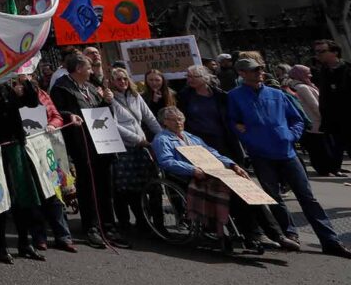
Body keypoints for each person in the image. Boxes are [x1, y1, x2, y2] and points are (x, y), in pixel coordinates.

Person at [227, 57, 351, 258]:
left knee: (307, 197)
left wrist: (290, 136)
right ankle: (290, 235)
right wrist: (247, 136)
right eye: (254, 70)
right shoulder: (234, 96)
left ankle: (330, 241)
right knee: (274, 197)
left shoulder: (276, 94)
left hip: (287, 152)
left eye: (260, 69)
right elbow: (233, 122)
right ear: (242, 73)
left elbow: (297, 119)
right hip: (261, 155)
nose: (259, 72)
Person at [150, 106, 288, 253]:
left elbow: (212, 153)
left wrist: (232, 164)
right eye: (173, 120)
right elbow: (166, 161)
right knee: (235, 195)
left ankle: (276, 235)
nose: (178, 122)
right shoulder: (162, 139)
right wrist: (192, 169)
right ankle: (254, 234)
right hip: (189, 177)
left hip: (212, 173)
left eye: (180, 119)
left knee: (250, 192)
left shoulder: (191, 137)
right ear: (164, 122)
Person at [51, 52, 129, 248]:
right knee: (88, 185)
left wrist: (107, 101)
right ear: (78, 69)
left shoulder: (91, 87)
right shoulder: (61, 88)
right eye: (88, 67)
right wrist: (69, 116)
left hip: (102, 142)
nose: (91, 70)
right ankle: (92, 226)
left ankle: (108, 225)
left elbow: (101, 113)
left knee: (105, 184)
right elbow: (55, 112)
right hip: (81, 142)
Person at [0, 77, 45, 263]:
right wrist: (13, 97)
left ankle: (24, 243)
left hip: (16, 147)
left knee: (23, 197)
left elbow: (33, 103)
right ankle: (2, 246)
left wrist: (26, 84)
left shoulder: (7, 88)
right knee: (1, 198)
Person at [108, 67, 161, 235]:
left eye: (124, 78)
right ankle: (131, 222)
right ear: (112, 82)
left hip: (142, 146)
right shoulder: (110, 100)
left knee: (148, 183)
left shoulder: (135, 96)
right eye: (118, 79)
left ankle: (150, 222)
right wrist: (138, 140)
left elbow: (149, 118)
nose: (122, 82)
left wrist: (162, 136)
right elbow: (113, 125)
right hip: (125, 147)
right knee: (128, 188)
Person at [28, 79, 76, 252]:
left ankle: (63, 236)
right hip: (28, 150)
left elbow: (57, 116)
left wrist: (51, 125)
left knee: (55, 192)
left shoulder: (42, 94)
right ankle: (39, 237)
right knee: (36, 194)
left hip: (48, 149)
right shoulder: (13, 97)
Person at [176, 65, 241, 164]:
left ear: (205, 78)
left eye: (194, 77)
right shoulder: (184, 97)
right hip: (199, 141)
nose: (189, 80)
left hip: (223, 140)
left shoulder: (220, 96)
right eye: (188, 76)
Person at [288, 64, 342, 176]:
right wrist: (325, 117)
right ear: (300, 74)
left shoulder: (303, 86)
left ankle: (331, 169)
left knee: (322, 147)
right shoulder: (303, 88)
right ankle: (326, 169)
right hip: (316, 122)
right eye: (307, 73)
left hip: (316, 122)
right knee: (321, 148)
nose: (310, 75)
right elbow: (314, 105)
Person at [312, 39, 351, 173]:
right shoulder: (323, 71)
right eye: (317, 52)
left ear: (334, 52)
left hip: (348, 115)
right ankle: (334, 167)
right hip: (332, 118)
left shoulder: (347, 69)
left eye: (322, 51)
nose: (318, 54)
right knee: (337, 144)